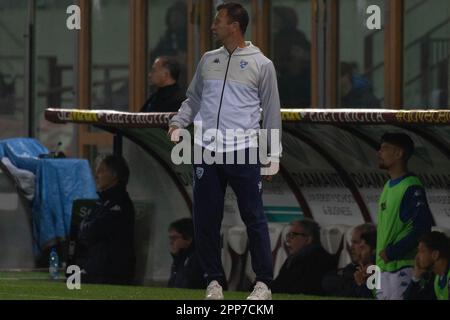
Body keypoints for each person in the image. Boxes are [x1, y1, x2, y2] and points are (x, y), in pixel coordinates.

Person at [168, 2, 282, 300]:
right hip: (206, 150)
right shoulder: (208, 60)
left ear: (234, 25)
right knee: (205, 219)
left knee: (253, 217)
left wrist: (273, 155)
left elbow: (271, 113)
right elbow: (193, 99)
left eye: (218, 21)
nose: (212, 26)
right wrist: (178, 122)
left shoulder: (262, 64)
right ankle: (213, 282)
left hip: (244, 150)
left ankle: (264, 284)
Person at [376, 132, 433, 299]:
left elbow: (422, 227)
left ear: (399, 153)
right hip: (384, 268)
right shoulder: (387, 185)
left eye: (385, 148)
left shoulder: (411, 186)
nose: (379, 152)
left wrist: (393, 252)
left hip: (402, 269)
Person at [77, 155, 135, 285]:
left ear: (114, 175)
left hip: (111, 273)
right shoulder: (102, 202)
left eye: (101, 170)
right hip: (96, 269)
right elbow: (83, 231)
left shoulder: (120, 203)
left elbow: (94, 230)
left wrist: (86, 227)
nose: (96, 175)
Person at [271, 219, 335, 295]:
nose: (288, 240)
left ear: (308, 239)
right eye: (288, 235)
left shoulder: (319, 260)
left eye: (293, 235)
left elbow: (292, 288)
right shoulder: (293, 258)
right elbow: (278, 284)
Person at [322, 223, 376, 298]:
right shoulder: (354, 266)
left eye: (355, 242)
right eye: (351, 242)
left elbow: (365, 295)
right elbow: (326, 281)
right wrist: (354, 281)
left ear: (370, 246)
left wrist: (359, 283)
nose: (351, 247)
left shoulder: (380, 270)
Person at [150, 1, 187, 89]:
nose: (174, 20)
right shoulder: (167, 37)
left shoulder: (188, 37)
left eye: (178, 16)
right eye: (172, 16)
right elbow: (153, 56)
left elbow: (185, 59)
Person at [403, 231, 450, 300]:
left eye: (421, 251)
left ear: (435, 255)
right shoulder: (437, 278)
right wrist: (416, 278)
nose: (417, 257)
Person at [167, 217, 204, 289]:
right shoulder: (180, 259)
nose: (171, 242)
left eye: (174, 238)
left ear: (188, 238)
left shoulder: (197, 260)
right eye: (170, 238)